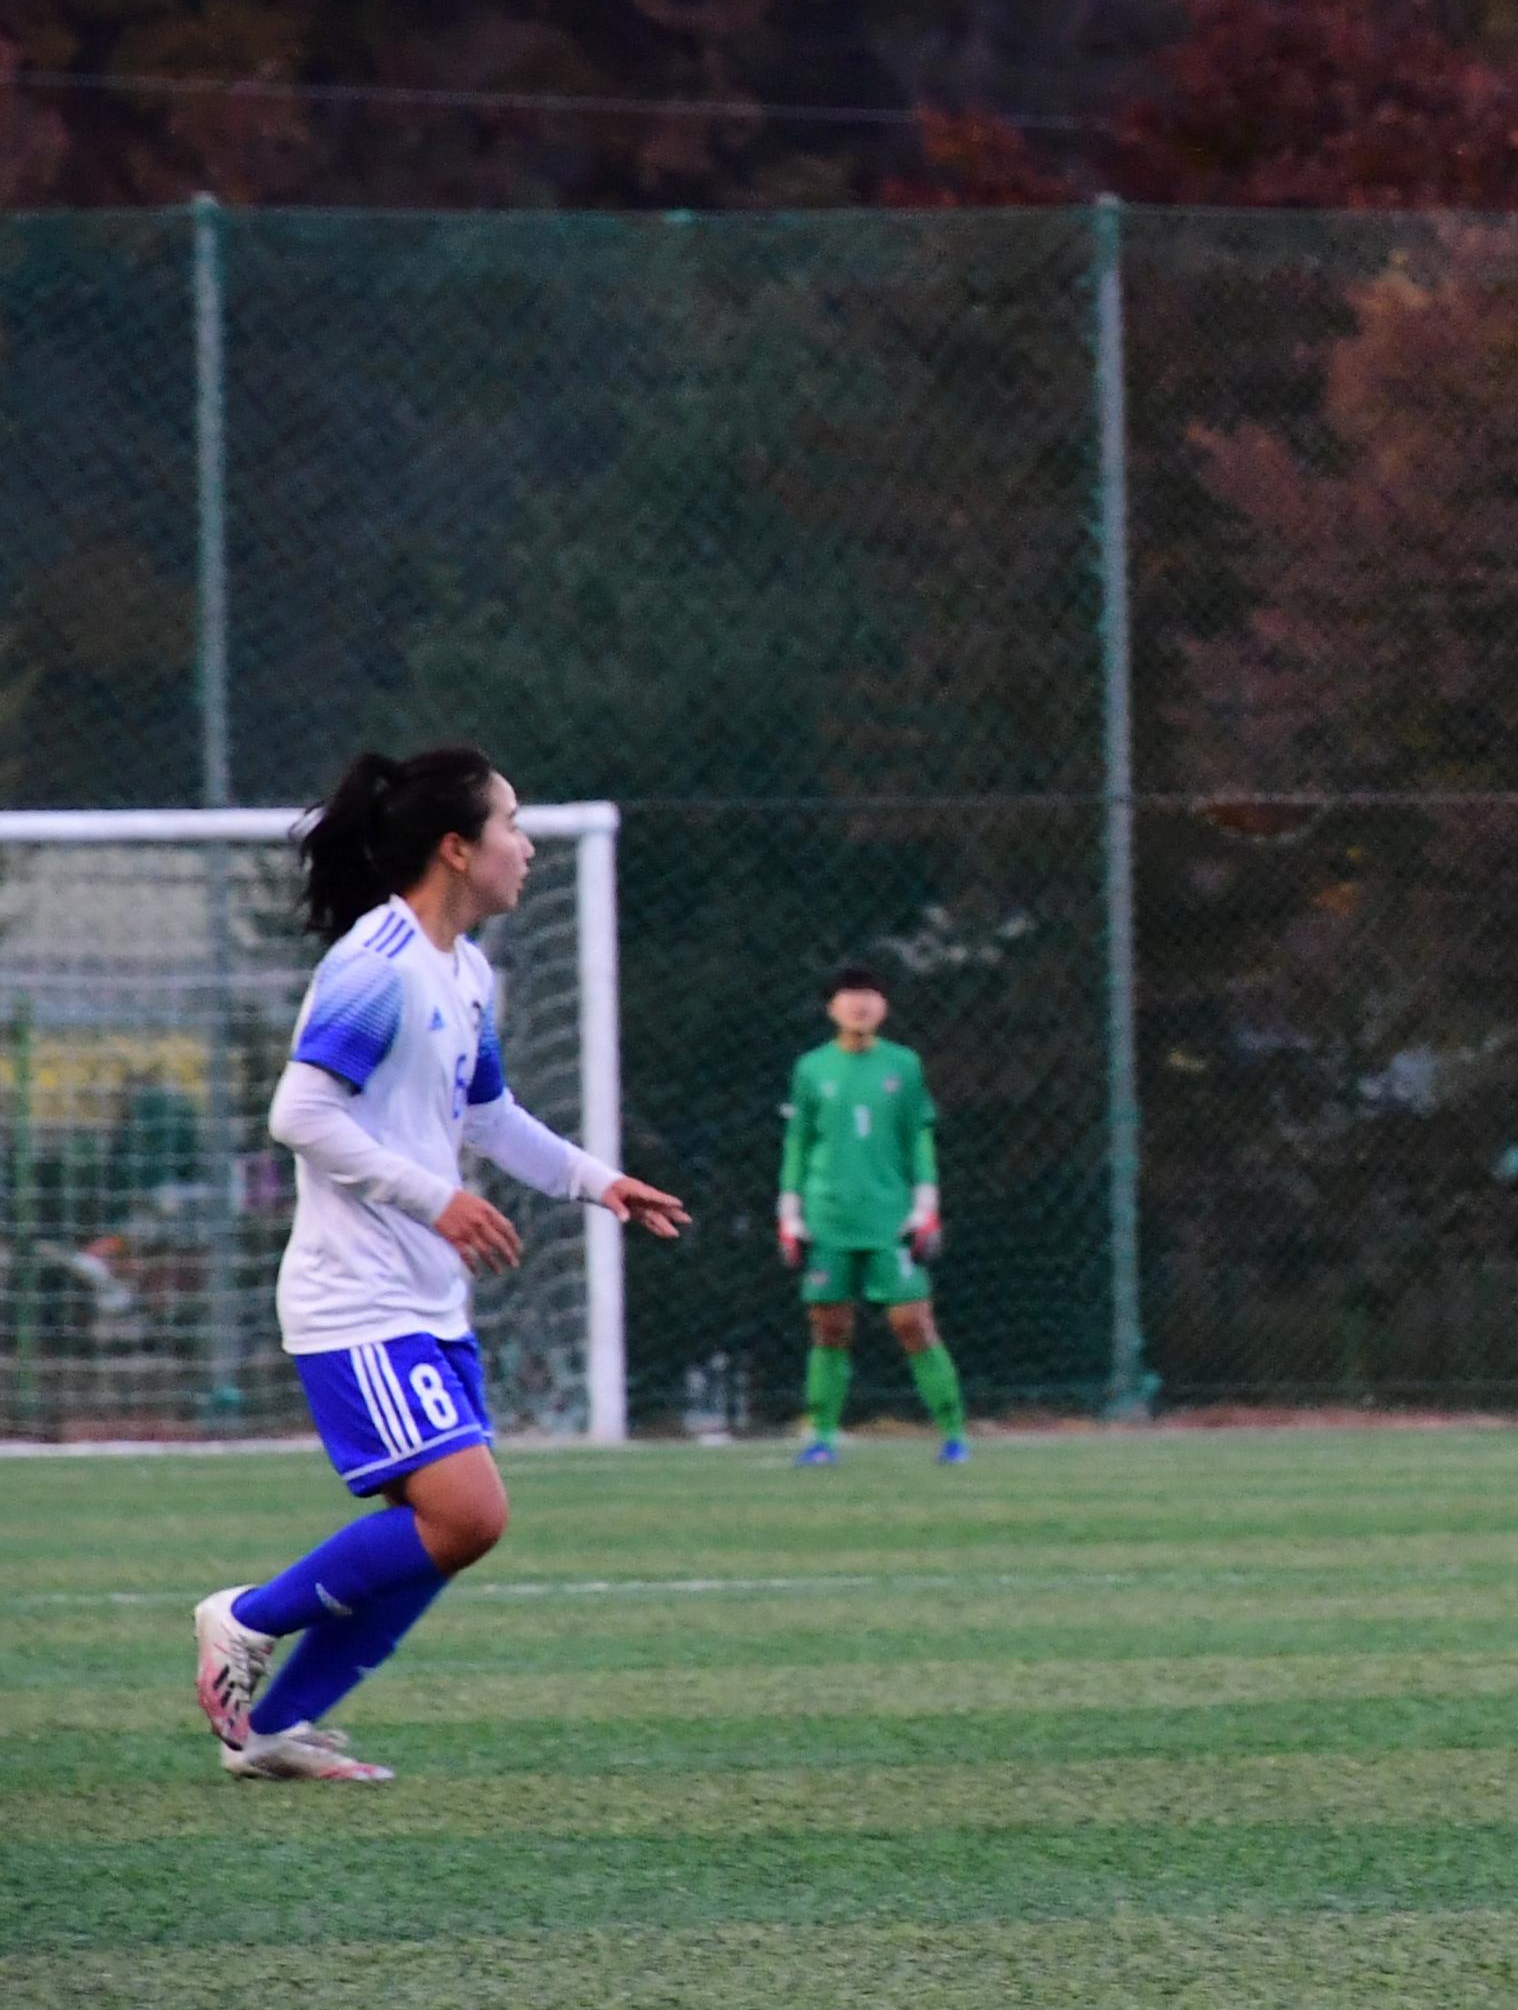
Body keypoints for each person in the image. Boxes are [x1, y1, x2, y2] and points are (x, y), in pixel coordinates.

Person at [190, 748, 689, 1781]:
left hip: (425, 1297)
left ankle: (274, 1728)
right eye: (513, 823)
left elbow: (488, 1114)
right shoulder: (378, 964)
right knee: (470, 1514)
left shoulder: (465, 968)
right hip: (355, 1296)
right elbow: (299, 1113)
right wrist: (438, 1195)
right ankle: (244, 1615)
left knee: (446, 1530)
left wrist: (599, 1181)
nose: (529, 845)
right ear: (457, 848)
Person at [778, 965, 968, 1466]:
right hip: (828, 1217)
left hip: (890, 1217)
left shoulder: (903, 1066)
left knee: (913, 1321)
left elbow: (918, 1136)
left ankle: (953, 1434)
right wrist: (789, 1208)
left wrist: (926, 1203)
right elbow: (798, 1141)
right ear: (832, 1008)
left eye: (870, 995)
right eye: (849, 996)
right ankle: (821, 1436)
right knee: (829, 1326)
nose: (860, 1004)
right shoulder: (812, 1069)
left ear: (883, 1007)